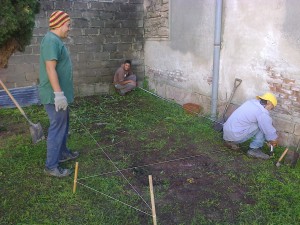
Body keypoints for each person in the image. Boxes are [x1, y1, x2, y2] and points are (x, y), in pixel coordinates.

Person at [39, 10, 79, 177]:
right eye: (68, 25)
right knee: (58, 128)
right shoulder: (50, 40)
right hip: (54, 95)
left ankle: (62, 153)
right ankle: (51, 166)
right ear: (60, 24)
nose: (69, 28)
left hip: (59, 94)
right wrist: (58, 95)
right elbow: (50, 68)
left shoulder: (55, 40)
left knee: (64, 125)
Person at [223, 92, 279, 160]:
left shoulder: (251, 102)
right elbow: (268, 130)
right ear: (269, 103)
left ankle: (230, 141)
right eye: (272, 107)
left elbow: (266, 122)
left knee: (261, 124)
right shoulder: (261, 112)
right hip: (235, 136)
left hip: (227, 132)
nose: (270, 109)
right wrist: (273, 140)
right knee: (261, 126)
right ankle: (254, 150)